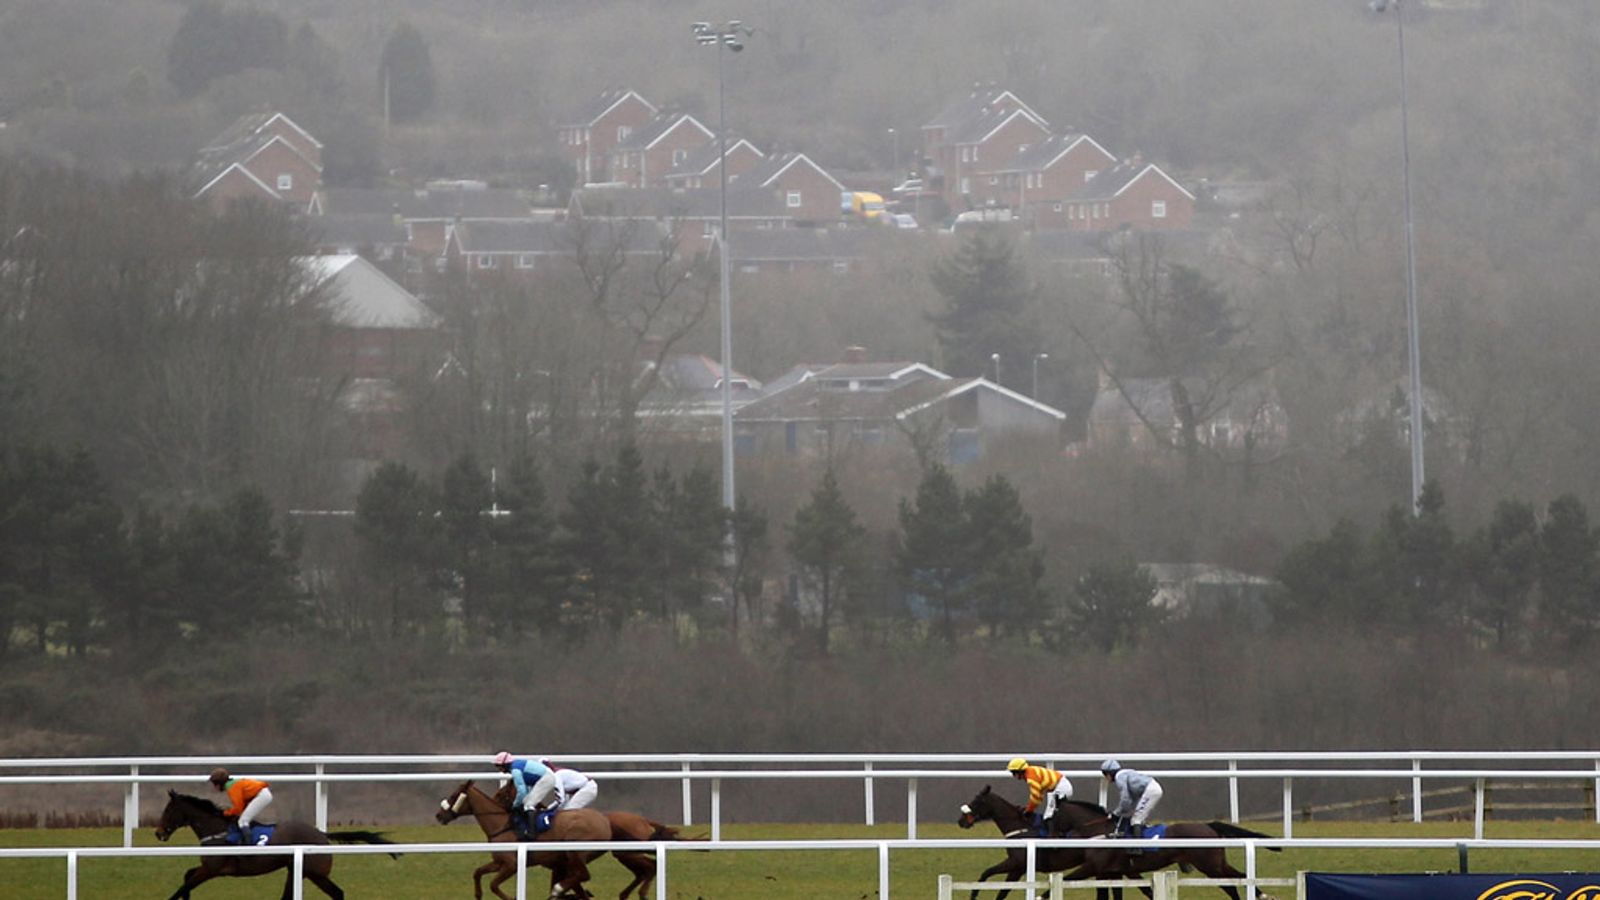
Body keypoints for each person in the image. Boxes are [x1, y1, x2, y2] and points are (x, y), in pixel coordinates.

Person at [1101, 759, 1162, 854]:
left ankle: (1137, 848)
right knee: (1136, 817)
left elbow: (1125, 800)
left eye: (1105, 775)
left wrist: (1115, 814)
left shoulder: (1119, 778)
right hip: (1151, 789)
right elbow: (1130, 800)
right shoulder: (1125, 773)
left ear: (1108, 774)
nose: (1106, 779)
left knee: (1136, 819)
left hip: (1150, 790)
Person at [1006, 758, 1074, 836]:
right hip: (1060, 787)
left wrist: (1029, 810)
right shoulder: (1031, 772)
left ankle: (1053, 837)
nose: (1013, 775)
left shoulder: (1031, 777)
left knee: (1049, 815)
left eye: (1013, 772)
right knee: (1050, 814)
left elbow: (1035, 796)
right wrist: (1030, 808)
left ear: (1019, 771)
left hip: (1061, 788)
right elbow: (1039, 796)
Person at [493, 751, 551, 839]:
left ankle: (532, 833)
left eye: (499, 766)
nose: (499, 769)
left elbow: (522, 791)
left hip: (546, 779)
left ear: (505, 764)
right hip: (542, 779)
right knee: (525, 803)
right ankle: (527, 828)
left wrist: (515, 804)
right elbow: (524, 791)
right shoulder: (516, 766)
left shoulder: (515, 770)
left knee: (529, 805)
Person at [209, 768, 272, 845]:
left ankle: (247, 846)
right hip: (262, 794)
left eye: (214, 784)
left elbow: (238, 808)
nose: (214, 788)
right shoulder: (233, 784)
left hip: (262, 795)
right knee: (243, 818)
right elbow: (241, 806)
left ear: (219, 784)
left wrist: (225, 813)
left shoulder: (232, 788)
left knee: (242, 821)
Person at [525, 759, 598, 814]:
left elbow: (560, 800)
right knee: (565, 812)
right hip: (587, 787)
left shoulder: (556, 776)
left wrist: (547, 810)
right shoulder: (558, 773)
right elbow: (564, 800)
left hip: (587, 788)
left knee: (568, 813)